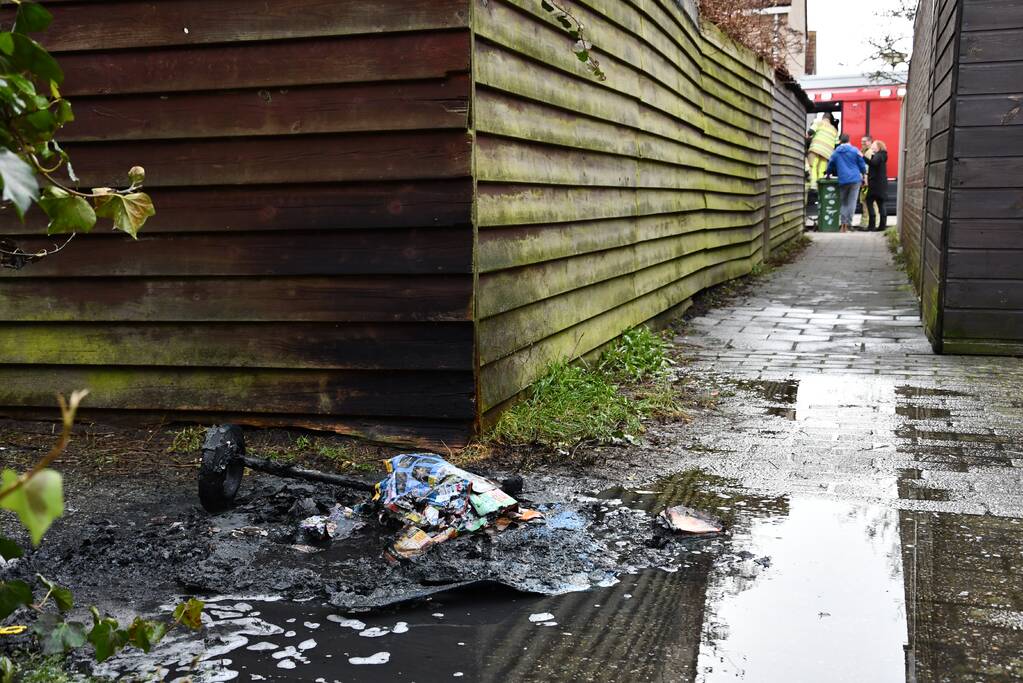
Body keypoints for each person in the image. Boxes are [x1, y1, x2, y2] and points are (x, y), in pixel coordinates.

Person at [825, 133, 868, 233]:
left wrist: (828, 174)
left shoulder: (836, 152)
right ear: (849, 140)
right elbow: (861, 163)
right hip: (855, 179)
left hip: (843, 180)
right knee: (851, 203)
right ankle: (848, 224)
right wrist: (864, 174)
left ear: (840, 141)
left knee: (844, 203)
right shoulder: (854, 150)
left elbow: (830, 164)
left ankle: (843, 225)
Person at [807, 113, 839, 184]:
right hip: (827, 153)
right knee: (821, 169)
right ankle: (820, 186)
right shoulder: (834, 130)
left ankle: (813, 187)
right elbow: (836, 144)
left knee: (813, 167)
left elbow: (811, 131)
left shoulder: (819, 123)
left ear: (823, 117)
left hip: (816, 148)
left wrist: (807, 136)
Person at [866, 140, 889, 231]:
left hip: (876, 185)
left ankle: (872, 225)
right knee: (881, 204)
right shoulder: (882, 155)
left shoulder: (879, 155)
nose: (872, 147)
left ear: (878, 147)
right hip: (880, 185)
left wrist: (863, 157)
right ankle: (882, 226)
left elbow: (873, 163)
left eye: (873, 145)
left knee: (869, 202)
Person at [858, 136, 874, 229]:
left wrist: (865, 180)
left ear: (870, 142)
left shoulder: (869, 152)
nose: (862, 143)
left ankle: (867, 224)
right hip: (864, 181)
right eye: (861, 141)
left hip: (867, 181)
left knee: (868, 203)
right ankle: (865, 223)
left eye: (864, 141)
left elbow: (867, 168)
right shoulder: (863, 151)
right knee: (864, 202)